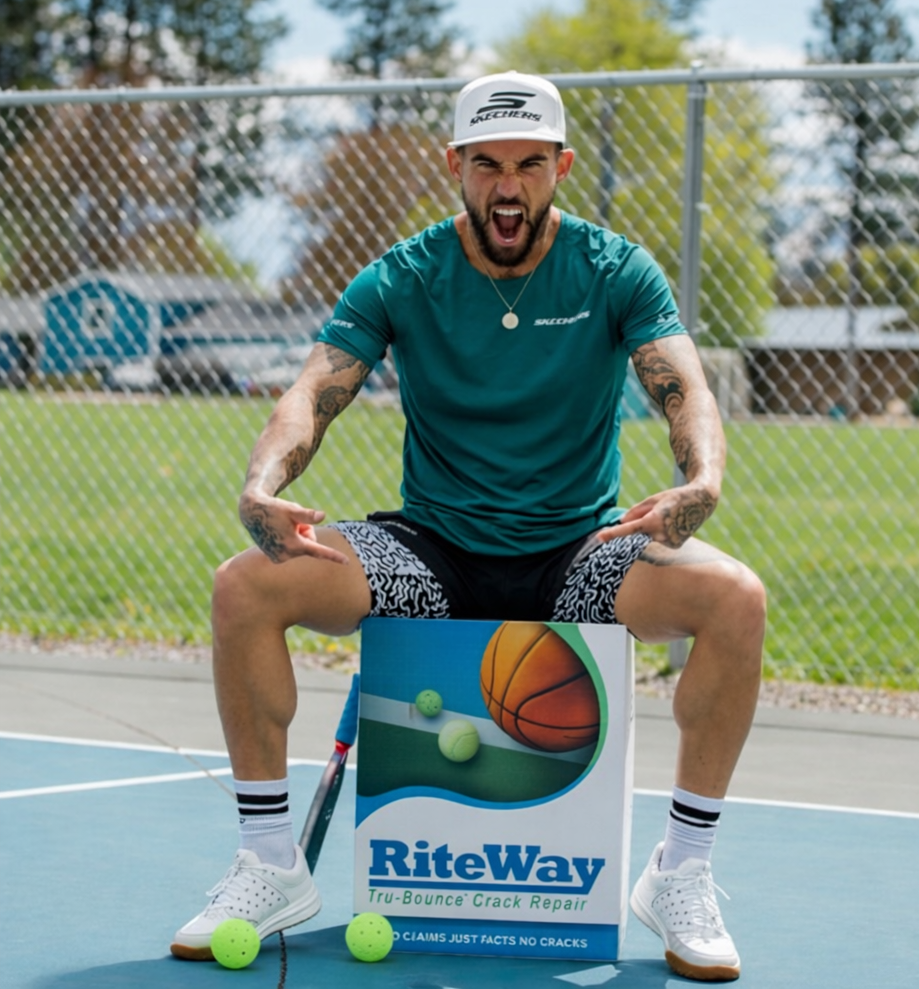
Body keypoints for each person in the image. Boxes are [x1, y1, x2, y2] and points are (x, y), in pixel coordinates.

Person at [171, 71, 765, 982]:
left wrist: (703, 479)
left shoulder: (614, 269)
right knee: (245, 584)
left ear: (562, 167)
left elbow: (683, 385)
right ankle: (269, 863)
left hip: (576, 552)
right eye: (487, 164)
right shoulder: (405, 275)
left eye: (529, 164)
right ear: (455, 165)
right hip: (434, 556)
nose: (507, 187)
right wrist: (262, 485)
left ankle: (680, 872)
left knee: (735, 599)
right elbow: (313, 391)